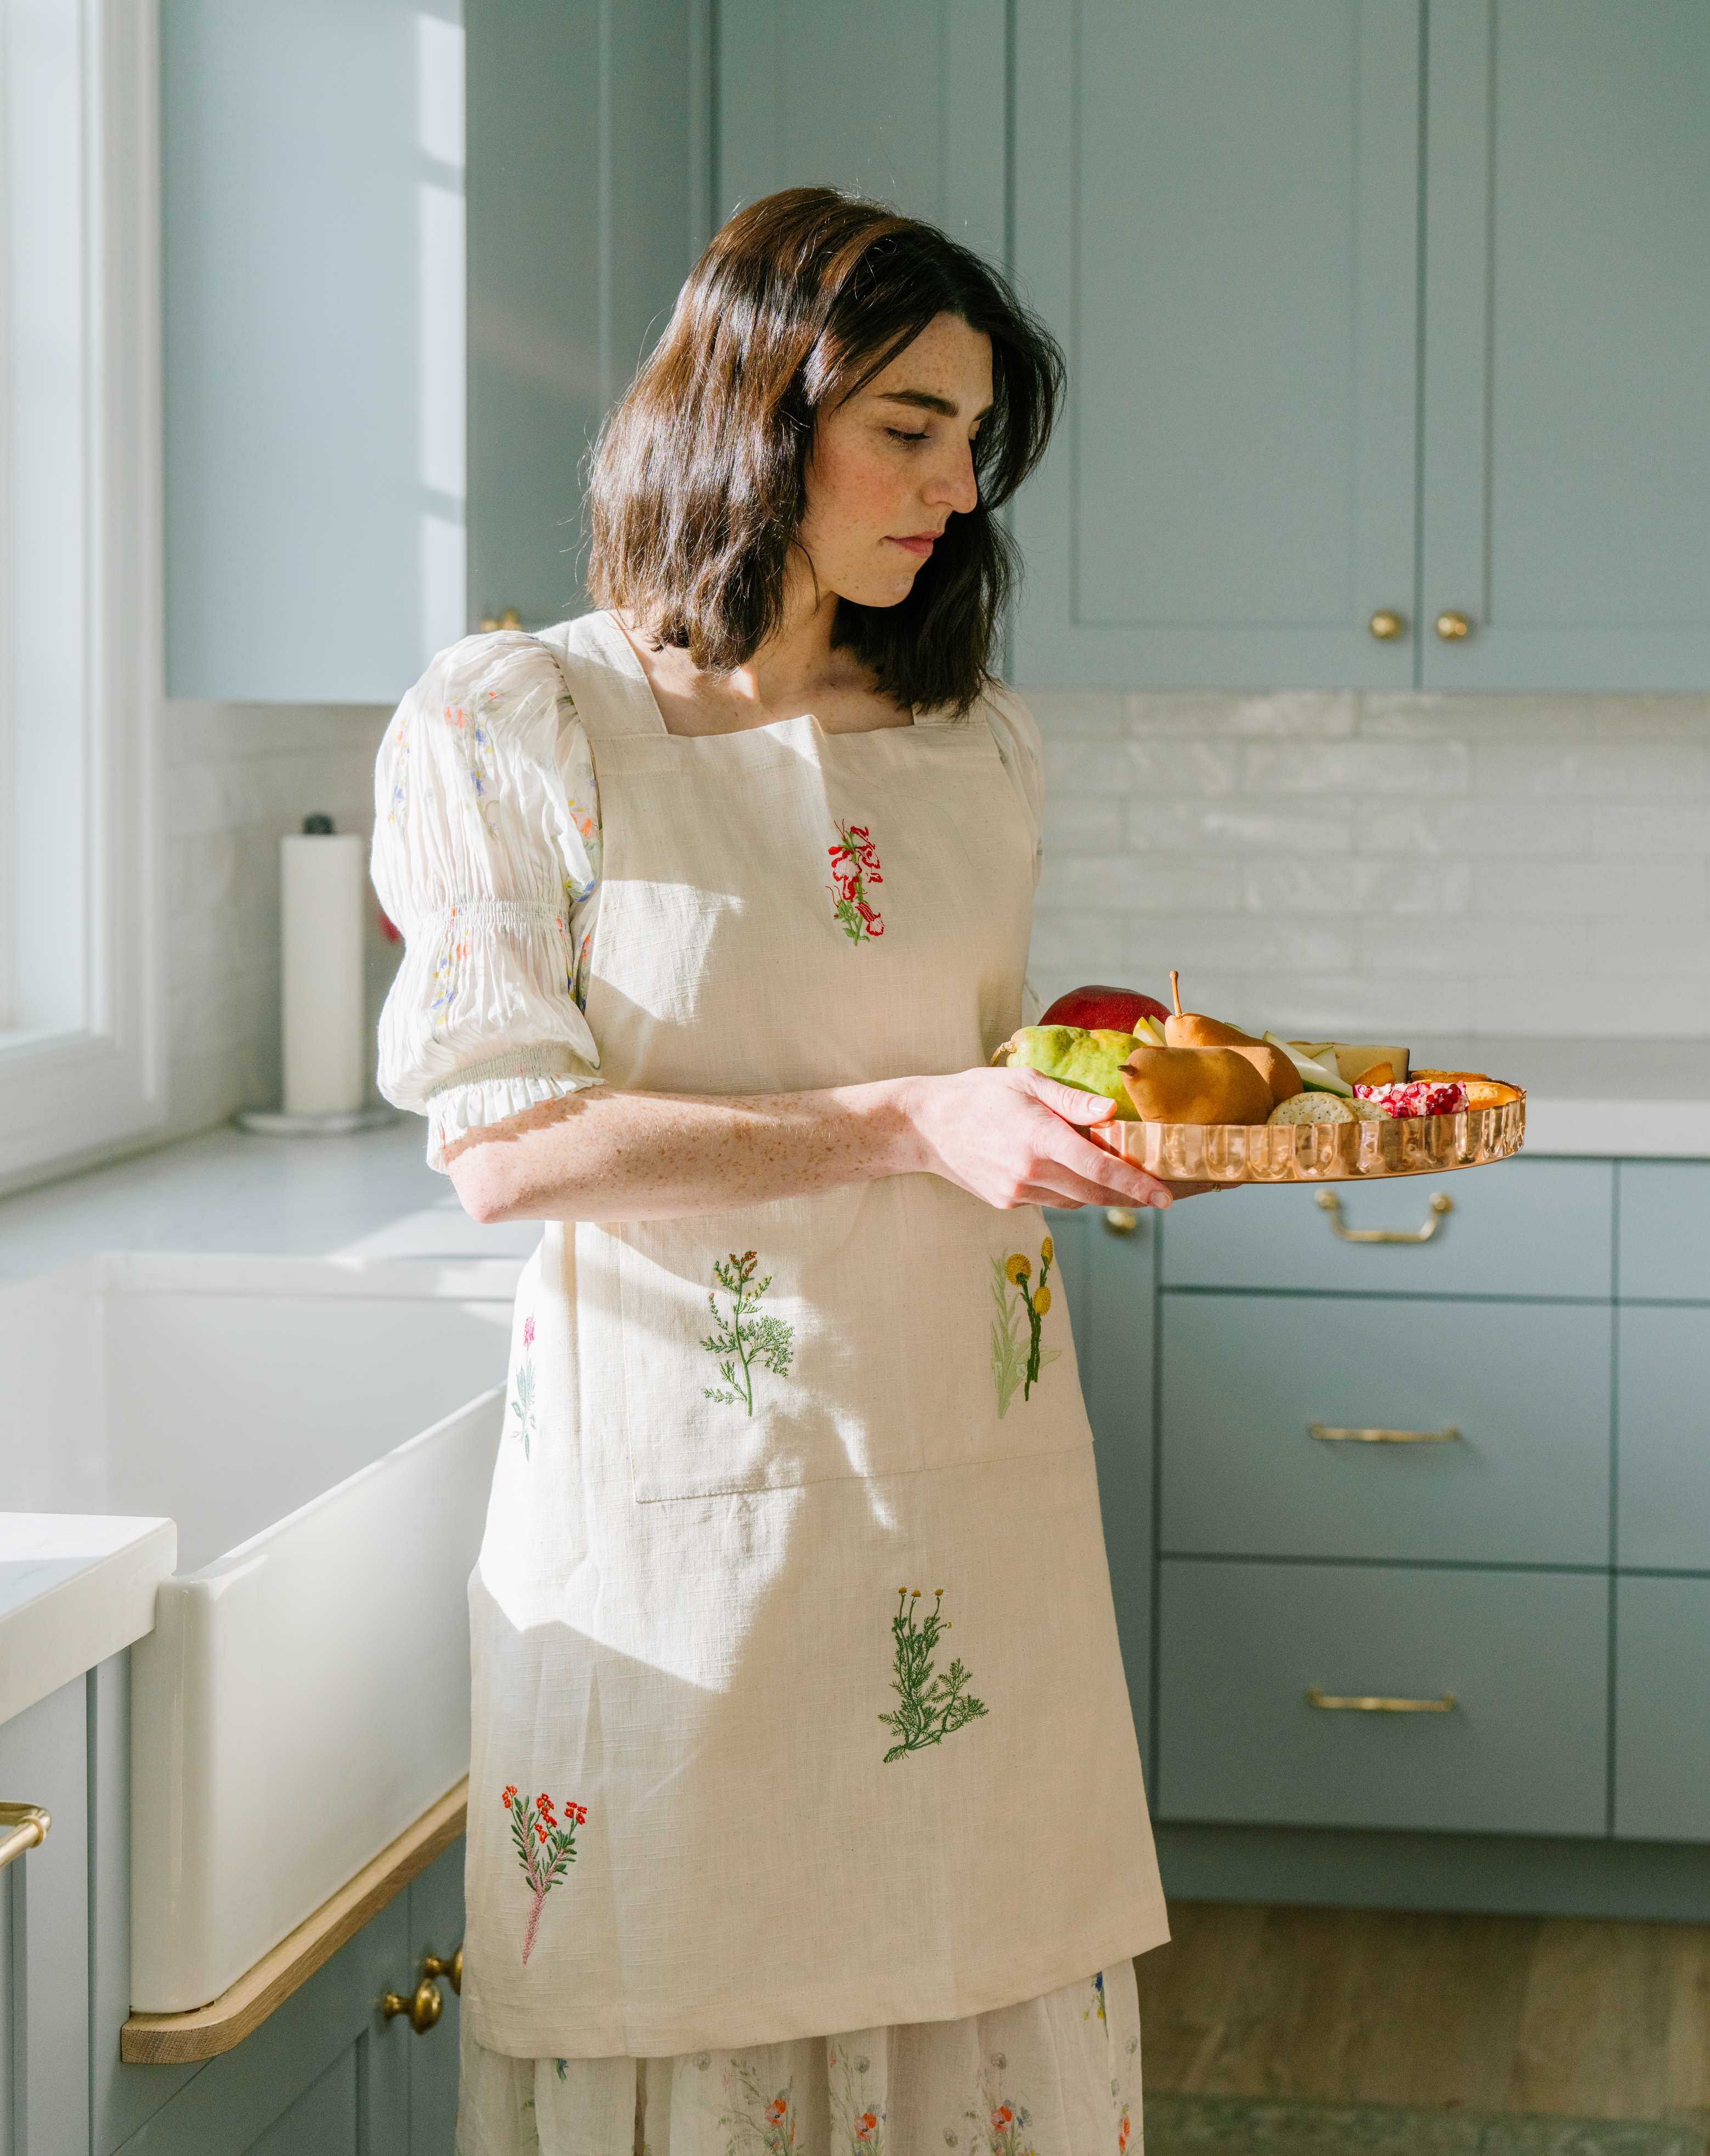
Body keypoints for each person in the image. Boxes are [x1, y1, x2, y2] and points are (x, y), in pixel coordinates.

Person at [373, 186, 1203, 2156]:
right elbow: (501, 1146)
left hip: (969, 1510)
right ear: (754, 407)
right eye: (907, 427)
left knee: (977, 1995)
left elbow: (972, 1080)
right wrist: (910, 1122)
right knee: (688, 1985)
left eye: (974, 445)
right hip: (685, 1525)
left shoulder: (968, 738)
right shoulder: (520, 718)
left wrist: (1101, 1119)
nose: (953, 487)